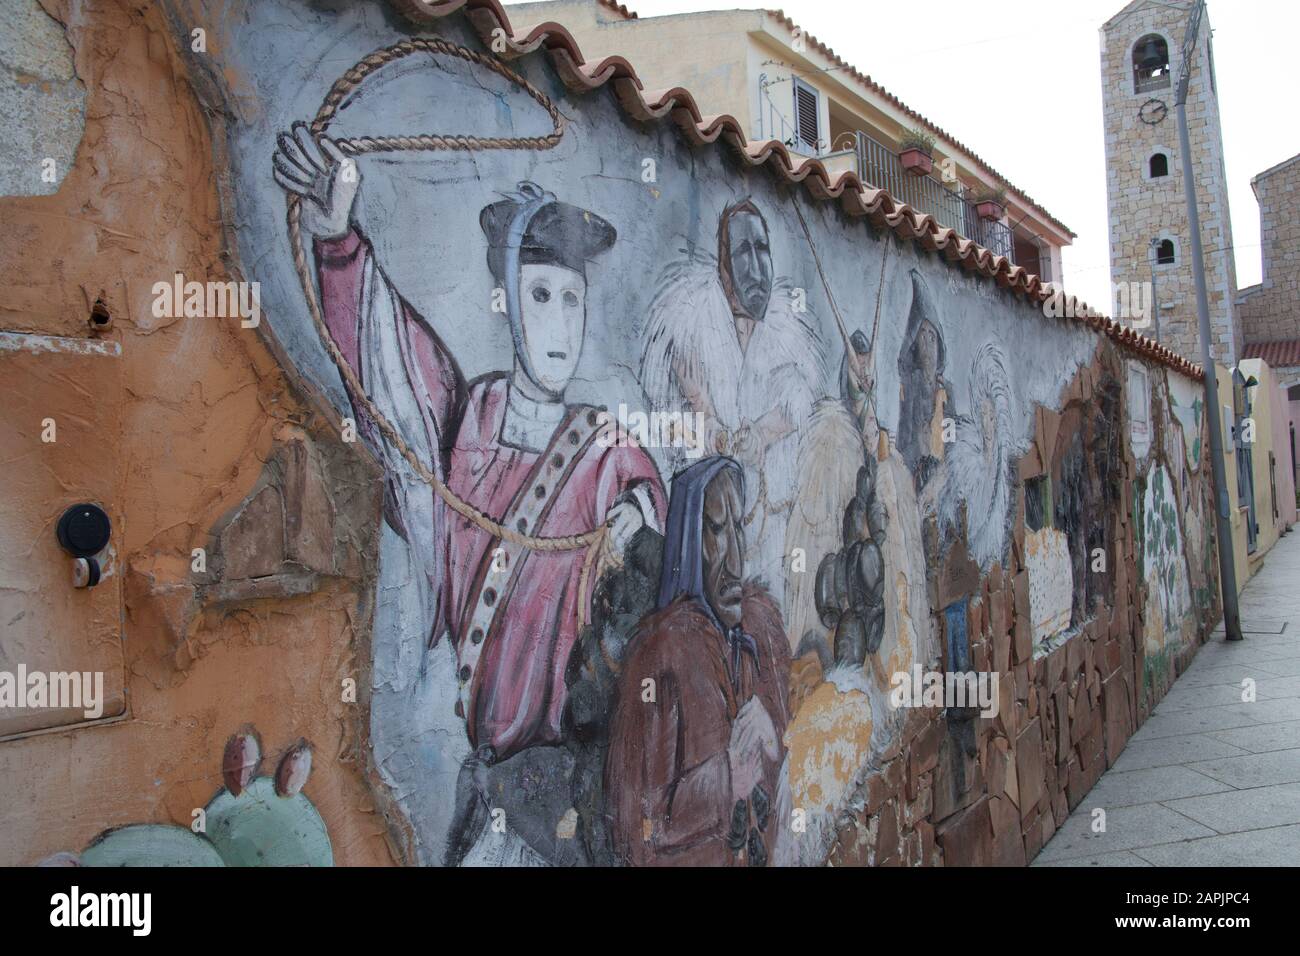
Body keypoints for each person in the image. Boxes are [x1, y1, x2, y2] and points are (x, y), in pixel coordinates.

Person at [273, 123, 666, 865]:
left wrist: (634, 524)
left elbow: (654, 518)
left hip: (571, 786)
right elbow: (393, 369)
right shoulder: (466, 424)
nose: (559, 322)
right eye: (540, 295)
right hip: (487, 779)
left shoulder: (611, 451)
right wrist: (338, 237)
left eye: (572, 300)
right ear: (507, 304)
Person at [639, 200, 828, 600]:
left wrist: (759, 435)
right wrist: (708, 421)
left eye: (763, 250)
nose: (758, 268)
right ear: (723, 267)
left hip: (769, 533)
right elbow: (670, 428)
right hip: (709, 538)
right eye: (744, 252)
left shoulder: (788, 339)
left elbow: (800, 404)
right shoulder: (688, 330)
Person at [605, 457, 790, 866]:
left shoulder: (759, 635)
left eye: (738, 527)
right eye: (717, 530)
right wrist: (725, 779)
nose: (735, 559)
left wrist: (772, 737)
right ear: (689, 540)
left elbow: (792, 765)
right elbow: (639, 827)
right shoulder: (660, 657)